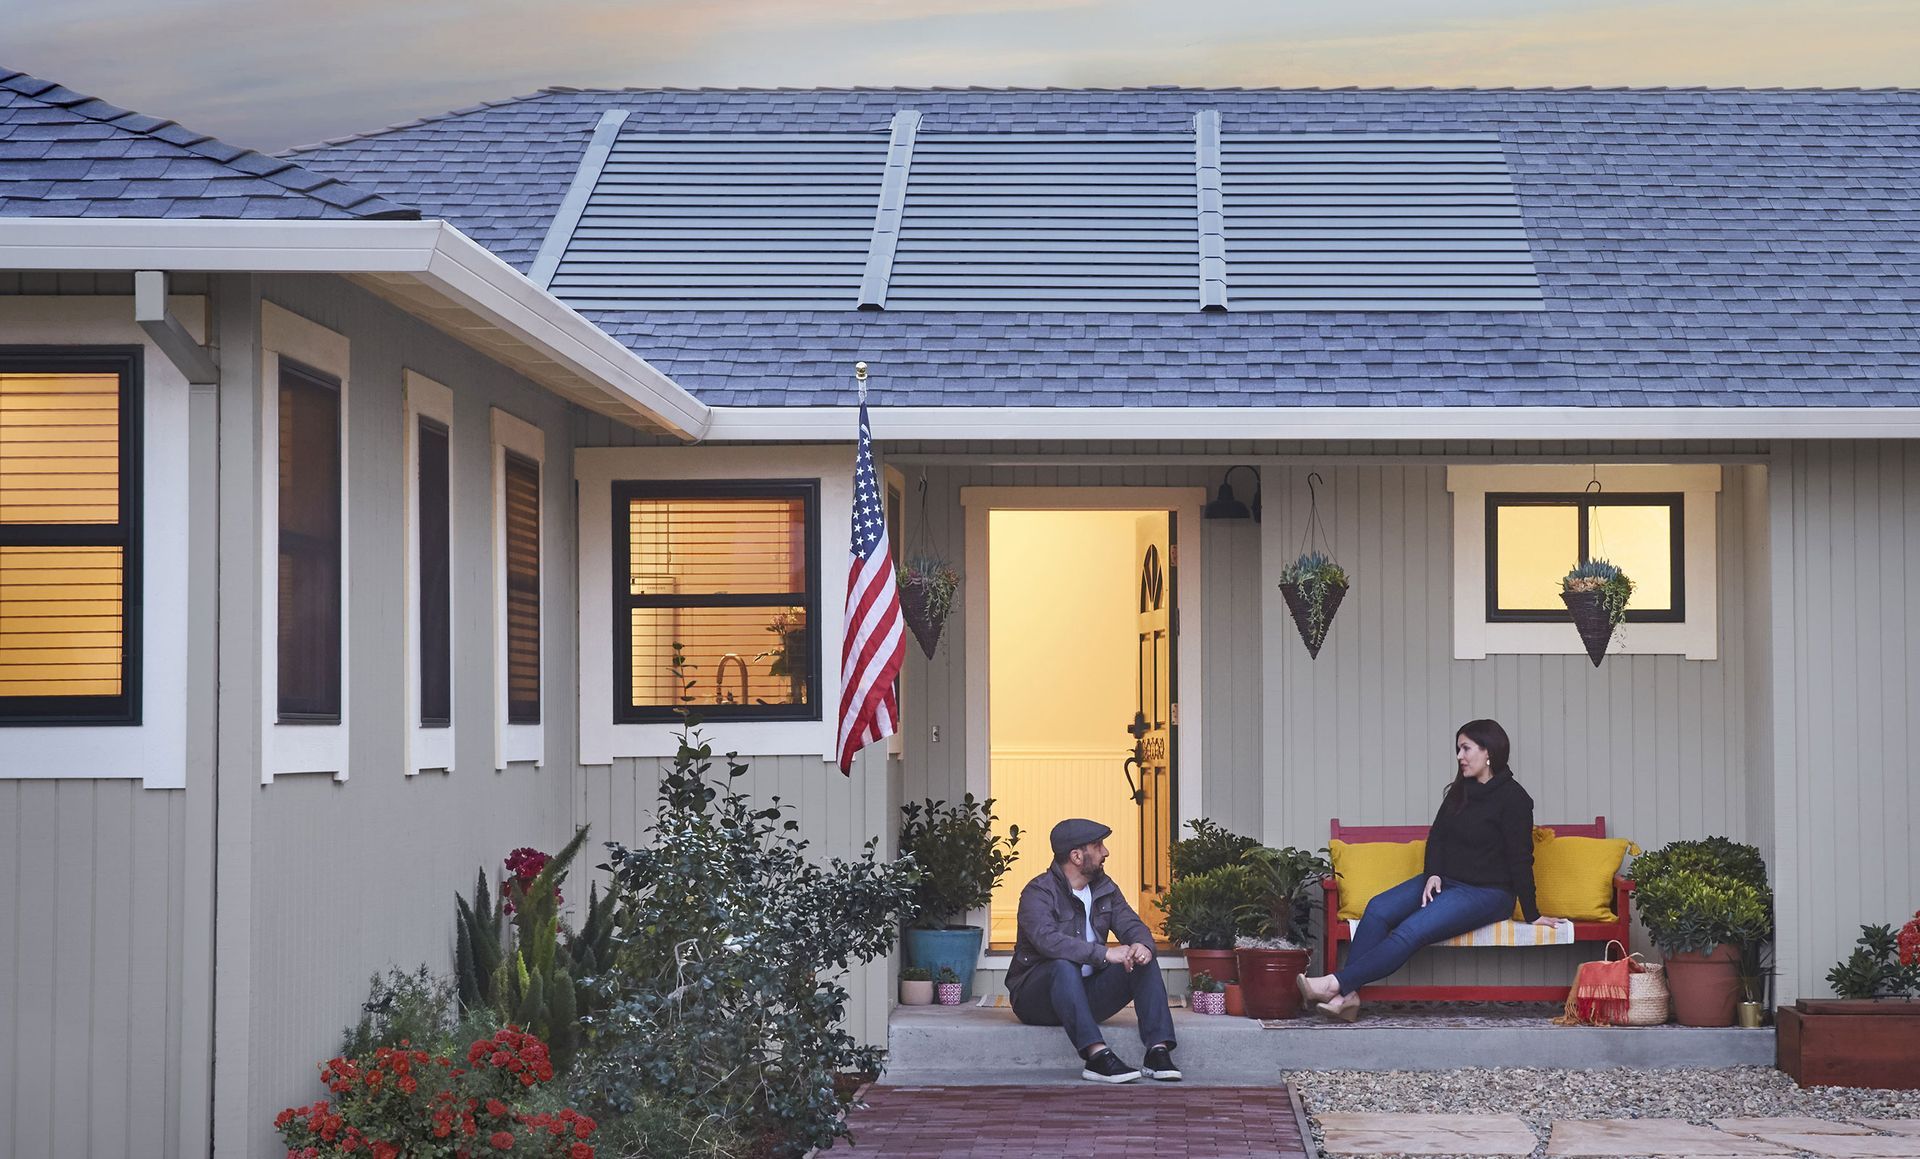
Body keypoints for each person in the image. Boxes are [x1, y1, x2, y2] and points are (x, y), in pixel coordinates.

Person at [1296, 719, 1569, 1021]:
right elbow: (1437, 837)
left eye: (1465, 748)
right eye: (1457, 749)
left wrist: (1531, 913)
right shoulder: (1460, 791)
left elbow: (1521, 858)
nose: (1459, 756)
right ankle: (1347, 997)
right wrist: (1433, 874)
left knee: (1409, 931)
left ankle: (1334, 984)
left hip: (1487, 894)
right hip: (1446, 881)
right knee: (1377, 909)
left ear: (1488, 751)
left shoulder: (1515, 799)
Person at [1005, 818, 1180, 1083]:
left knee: (1142, 959)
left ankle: (1157, 1052)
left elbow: (1131, 924)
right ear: (1076, 856)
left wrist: (1141, 945)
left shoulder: (1104, 888)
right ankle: (1096, 1057)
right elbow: (1047, 941)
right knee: (1062, 965)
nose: (1106, 852)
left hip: (1085, 996)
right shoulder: (1038, 892)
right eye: (1098, 846)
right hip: (1036, 999)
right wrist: (1105, 953)